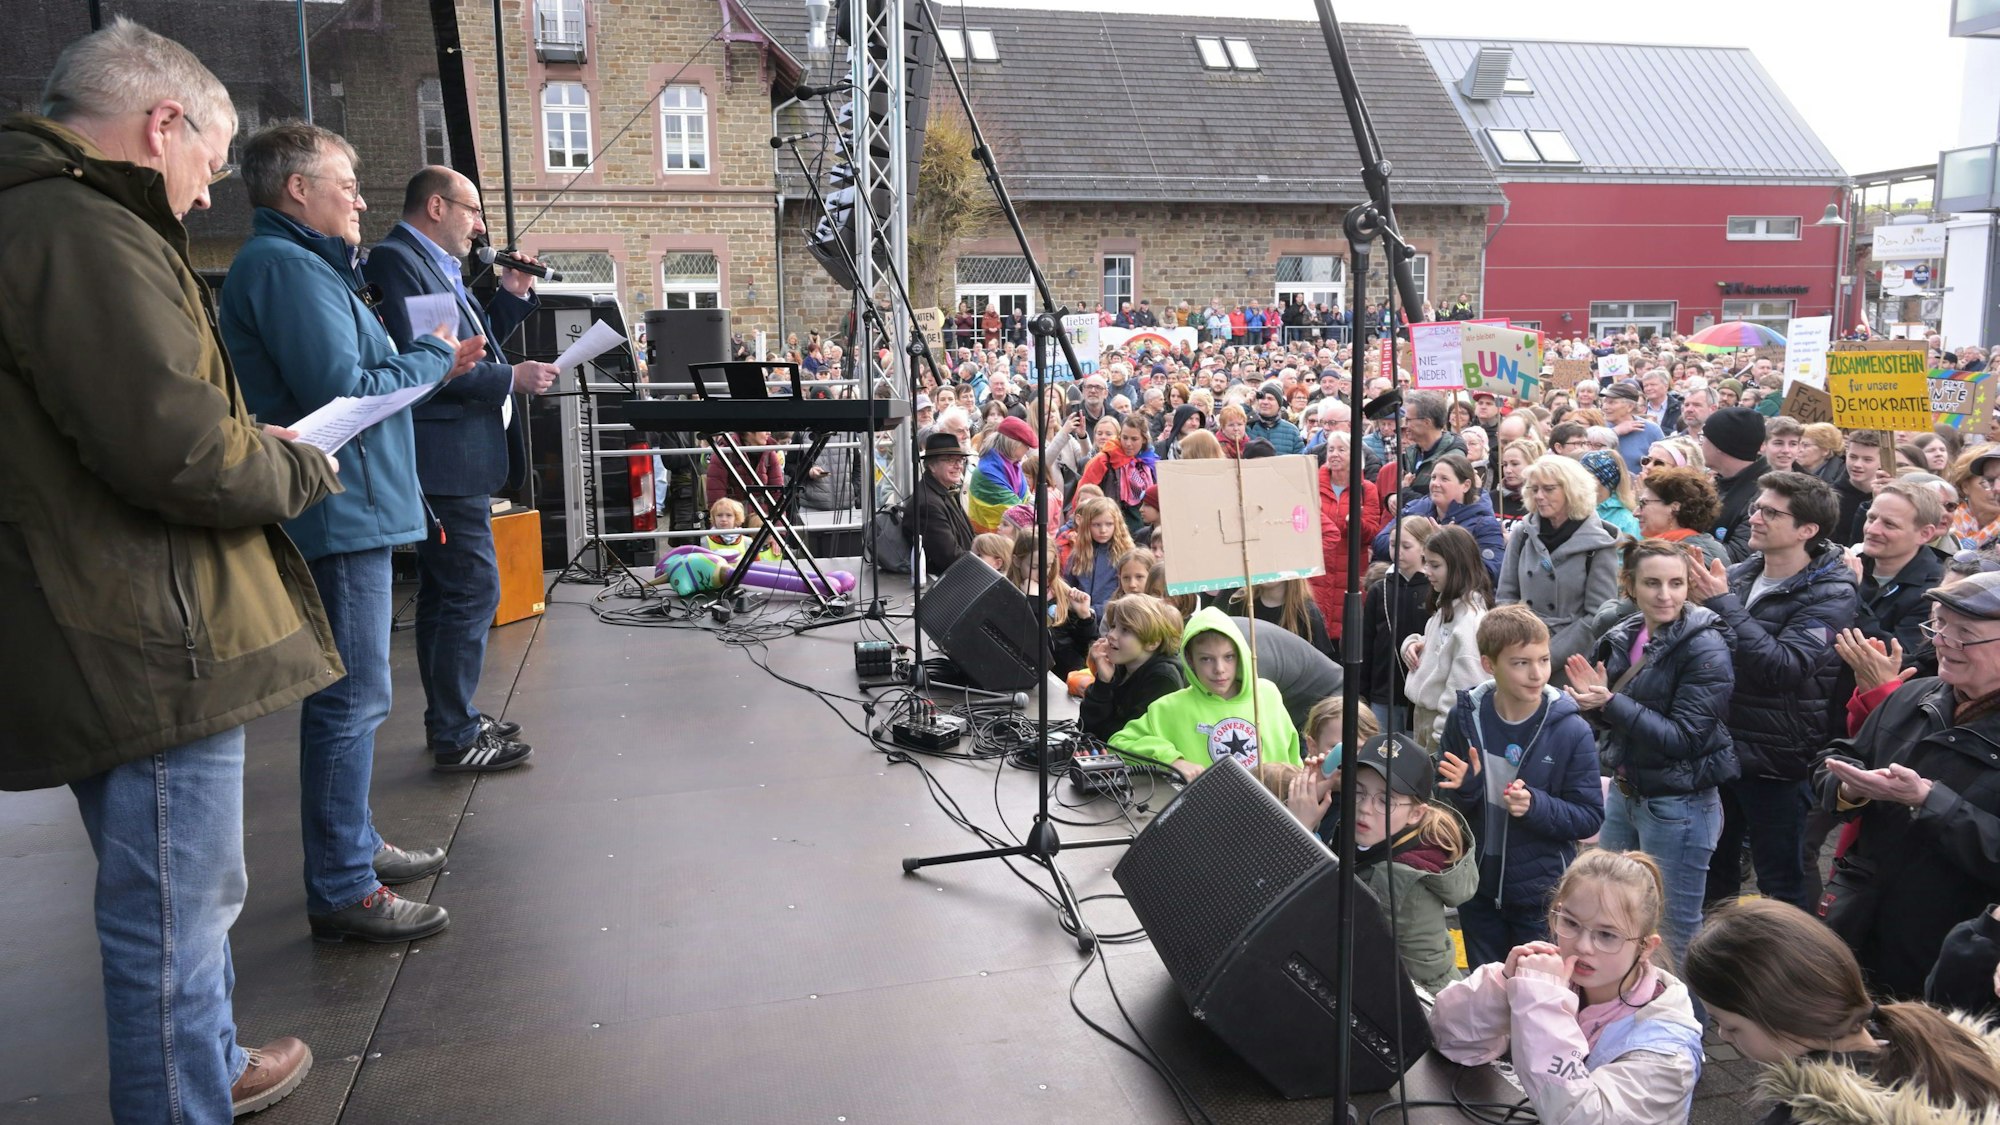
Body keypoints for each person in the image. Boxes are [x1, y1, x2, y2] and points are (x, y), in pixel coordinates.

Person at [1, 21, 343, 1117]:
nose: (204, 194)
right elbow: (179, 448)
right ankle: (181, 1092)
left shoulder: (47, 219)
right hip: (148, 631)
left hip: (118, 614)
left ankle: (203, 1060)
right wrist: (296, 467)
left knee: (182, 897)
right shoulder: (81, 231)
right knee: (173, 911)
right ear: (162, 125)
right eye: (207, 159)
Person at [221, 121, 476, 943]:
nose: (363, 200)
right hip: (340, 509)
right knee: (352, 699)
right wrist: (433, 359)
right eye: (347, 185)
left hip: (353, 504)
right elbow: (343, 388)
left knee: (357, 697)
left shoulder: (302, 267)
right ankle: (341, 882)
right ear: (298, 189)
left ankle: (353, 845)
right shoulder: (288, 270)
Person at [365, 165, 556, 771]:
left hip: (459, 458)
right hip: (444, 460)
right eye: (472, 211)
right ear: (437, 206)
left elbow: (468, 346)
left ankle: (453, 718)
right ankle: (454, 733)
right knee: (472, 588)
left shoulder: (435, 266)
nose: (479, 227)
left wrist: (511, 295)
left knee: (450, 594)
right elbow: (441, 368)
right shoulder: (401, 262)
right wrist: (513, 378)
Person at [1814, 568, 2000, 998]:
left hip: (1948, 957)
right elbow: (1837, 756)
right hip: (1858, 925)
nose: (1941, 643)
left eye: (1964, 634)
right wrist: (1849, 788)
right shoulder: (1912, 696)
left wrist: (1929, 801)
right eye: (1939, 625)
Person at [1429, 850, 1706, 1125]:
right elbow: (1449, 1039)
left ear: (1645, 947)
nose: (1583, 946)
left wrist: (1542, 1004)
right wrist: (1502, 985)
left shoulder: (1668, 1052)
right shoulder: (1551, 981)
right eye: (1571, 923)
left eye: (1607, 935)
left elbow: (1583, 1118)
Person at [1687, 471, 1855, 911]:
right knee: (1713, 871)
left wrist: (1721, 604)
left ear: (1807, 530)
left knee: (1781, 881)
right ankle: (1716, 965)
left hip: (1777, 760)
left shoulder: (1832, 593)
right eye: (1756, 507)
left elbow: (1783, 667)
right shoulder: (1741, 574)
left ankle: (1789, 972)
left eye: (1770, 512)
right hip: (1720, 749)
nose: (1755, 518)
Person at [1566, 539, 1737, 962]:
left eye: (1676, 583)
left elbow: (1685, 739)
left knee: (1675, 930)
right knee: (1613, 912)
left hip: (1679, 804)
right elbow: (1617, 722)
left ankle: (1687, 1025)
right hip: (1628, 792)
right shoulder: (1625, 633)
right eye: (1653, 583)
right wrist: (1596, 705)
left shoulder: (1705, 645)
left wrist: (1609, 703)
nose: (1665, 595)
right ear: (1630, 586)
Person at [1687, 898, 2000, 1124]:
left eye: (1729, 1024)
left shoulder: (1806, 1117)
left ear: (1785, 1015)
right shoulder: (1938, 1044)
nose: (1723, 1035)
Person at [1438, 606, 1604, 970]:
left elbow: (1590, 817)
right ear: (1488, 664)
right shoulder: (1465, 718)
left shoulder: (1569, 729)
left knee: (1535, 996)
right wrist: (1467, 790)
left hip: (1539, 896)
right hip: (1477, 890)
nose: (1537, 674)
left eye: (1543, 660)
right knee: (1487, 997)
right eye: (1520, 663)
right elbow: (1442, 807)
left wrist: (1536, 807)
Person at [1284, 732, 1477, 996]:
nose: (1365, 808)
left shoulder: (1393, 877)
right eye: (1358, 792)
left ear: (1416, 813)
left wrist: (1301, 827)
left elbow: (1321, 920)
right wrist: (1318, 787)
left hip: (1416, 1005)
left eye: (1385, 801)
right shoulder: (1381, 839)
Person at [1110, 607, 1301, 782]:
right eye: (1206, 659)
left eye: (1228, 657)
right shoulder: (1170, 707)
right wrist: (1172, 760)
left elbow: (1293, 756)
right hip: (1205, 813)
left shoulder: (1267, 694)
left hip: (1268, 812)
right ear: (1190, 661)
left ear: (1241, 655)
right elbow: (1119, 743)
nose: (1219, 669)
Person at [1497, 454, 1624, 684]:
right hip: (1520, 650)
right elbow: (1506, 595)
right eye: (1534, 489)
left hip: (1568, 662)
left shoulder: (1599, 543)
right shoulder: (1523, 532)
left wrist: (1545, 656)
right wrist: (1516, 645)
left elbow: (1597, 616)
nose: (1539, 496)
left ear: (1571, 490)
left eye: (1548, 489)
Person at [1401, 526, 1493, 751]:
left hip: (1441, 730)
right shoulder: (1447, 606)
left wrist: (1442, 737)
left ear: (1457, 566)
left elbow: (1464, 690)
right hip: (1424, 720)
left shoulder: (1471, 620)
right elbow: (1434, 646)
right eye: (1426, 563)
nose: (1426, 571)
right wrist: (1412, 645)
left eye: (1435, 565)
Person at [1371, 451, 1505, 579]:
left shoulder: (1484, 522)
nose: (1435, 483)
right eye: (1433, 477)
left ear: (1465, 485)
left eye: (1444, 479)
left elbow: (1490, 572)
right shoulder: (1416, 508)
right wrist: (1418, 540)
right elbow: (1380, 542)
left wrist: (1446, 545)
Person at [1363, 518, 1437, 735]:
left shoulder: (1434, 588)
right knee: (1380, 751)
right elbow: (1367, 642)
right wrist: (1363, 691)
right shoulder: (1380, 589)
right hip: (1383, 691)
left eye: (1406, 546)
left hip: (1420, 694)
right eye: (1394, 545)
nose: (1398, 552)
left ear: (1424, 547)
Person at [1079, 595, 1186, 741]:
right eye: (1114, 626)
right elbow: (1085, 727)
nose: (1111, 635)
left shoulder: (1162, 679)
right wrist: (1103, 681)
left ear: (1152, 642)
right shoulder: (1122, 666)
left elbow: (1125, 738)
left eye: (1125, 630)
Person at [1308, 431, 1381, 646]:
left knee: (1345, 639)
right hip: (1317, 572)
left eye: (1341, 449)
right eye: (1330, 449)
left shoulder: (1367, 490)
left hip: (1350, 572)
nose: (1334, 454)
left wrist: (1355, 522)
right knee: (1314, 631)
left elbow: (1371, 534)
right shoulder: (1312, 484)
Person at [1005, 534, 1096, 676]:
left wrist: (1085, 617)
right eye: (1034, 567)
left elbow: (1086, 646)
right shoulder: (1007, 597)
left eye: (1047, 566)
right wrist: (1034, 601)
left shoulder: (1061, 592)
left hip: (1070, 677)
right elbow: (1034, 647)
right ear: (1017, 561)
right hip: (1036, 679)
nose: (1042, 573)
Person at [1701, 406, 1773, 561]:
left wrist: (1682, 535)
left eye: (1704, 437)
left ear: (1720, 445)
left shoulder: (1765, 494)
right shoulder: (1718, 481)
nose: (1701, 443)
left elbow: (1739, 556)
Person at [1077, 414, 1158, 535]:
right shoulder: (1104, 459)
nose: (1128, 443)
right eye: (1124, 438)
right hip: (1111, 529)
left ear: (1144, 439)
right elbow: (1082, 494)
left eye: (1134, 439)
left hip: (1144, 529)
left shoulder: (1149, 462)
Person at [912, 431, 975, 578]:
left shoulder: (943, 491)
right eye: (949, 460)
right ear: (932, 466)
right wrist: (985, 562)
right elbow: (949, 557)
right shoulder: (928, 504)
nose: (958, 466)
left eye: (960, 460)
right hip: (952, 582)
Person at [1634, 465, 1727, 564]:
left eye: (1643, 503)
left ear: (1674, 507)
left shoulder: (1677, 557)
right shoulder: (1707, 547)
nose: (1635, 513)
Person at [966, 414, 1036, 535]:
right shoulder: (988, 472)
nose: (1028, 450)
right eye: (1026, 445)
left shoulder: (1014, 465)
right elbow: (1018, 514)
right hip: (991, 542)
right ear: (1014, 444)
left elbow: (1027, 499)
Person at [1063, 496, 1134, 612]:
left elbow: (1129, 591)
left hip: (1113, 617)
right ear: (1087, 525)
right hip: (1081, 616)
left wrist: (1098, 610)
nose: (1103, 530)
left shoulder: (1126, 554)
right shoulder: (1078, 554)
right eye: (1096, 524)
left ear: (1117, 524)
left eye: (1109, 524)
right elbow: (1068, 586)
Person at [1599, 381, 1665, 474]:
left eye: (1611, 402)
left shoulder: (1651, 429)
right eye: (1604, 402)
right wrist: (1615, 432)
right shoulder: (1598, 427)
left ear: (1630, 407)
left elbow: (1664, 463)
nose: (1605, 407)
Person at [1579, 449, 1640, 537]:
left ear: (1601, 479)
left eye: (1584, 475)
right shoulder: (1578, 509)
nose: (1578, 480)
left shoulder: (1627, 521)